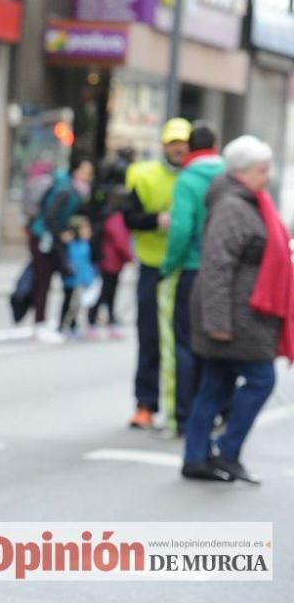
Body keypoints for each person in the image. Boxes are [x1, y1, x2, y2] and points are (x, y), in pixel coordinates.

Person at [182, 135, 293, 484]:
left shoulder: (247, 201)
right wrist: (217, 322)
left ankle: (197, 457)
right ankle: (226, 451)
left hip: (242, 312)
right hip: (235, 315)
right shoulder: (234, 206)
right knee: (261, 379)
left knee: (216, 383)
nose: (267, 176)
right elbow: (216, 266)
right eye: (262, 170)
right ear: (243, 172)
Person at [123, 117, 190, 429]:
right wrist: (156, 221)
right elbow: (129, 217)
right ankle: (146, 404)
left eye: (184, 143)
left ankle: (183, 407)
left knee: (184, 341)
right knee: (149, 336)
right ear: (163, 145)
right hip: (152, 267)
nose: (179, 148)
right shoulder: (143, 175)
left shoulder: (198, 176)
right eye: (173, 143)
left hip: (186, 268)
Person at [160, 122, 225, 436]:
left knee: (184, 345)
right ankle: (213, 411)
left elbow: (181, 229)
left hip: (190, 270)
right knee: (215, 344)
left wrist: (168, 265)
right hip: (223, 273)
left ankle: (185, 418)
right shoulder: (230, 176)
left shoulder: (187, 180)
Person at [26, 156, 94, 342]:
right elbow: (50, 216)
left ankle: (47, 321)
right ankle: (39, 324)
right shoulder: (66, 191)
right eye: (86, 171)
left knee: (48, 279)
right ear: (77, 171)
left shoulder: (72, 190)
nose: (89, 176)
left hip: (48, 238)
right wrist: (62, 233)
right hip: (44, 238)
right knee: (44, 280)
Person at [87, 185, 133, 338]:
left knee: (109, 292)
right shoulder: (116, 218)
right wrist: (129, 257)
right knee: (106, 292)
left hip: (109, 261)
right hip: (110, 261)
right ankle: (93, 321)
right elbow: (120, 241)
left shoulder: (108, 214)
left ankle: (109, 321)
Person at [59, 216, 96, 337]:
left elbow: (86, 264)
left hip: (82, 279)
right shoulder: (71, 245)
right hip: (71, 279)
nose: (88, 231)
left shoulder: (85, 244)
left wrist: (89, 278)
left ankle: (73, 326)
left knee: (78, 304)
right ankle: (63, 325)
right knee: (69, 303)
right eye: (84, 229)